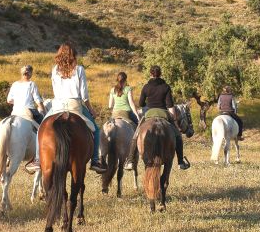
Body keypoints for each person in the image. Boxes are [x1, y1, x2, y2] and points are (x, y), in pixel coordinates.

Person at [26, 43, 107, 174]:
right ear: (73, 55)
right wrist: (90, 109)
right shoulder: (79, 69)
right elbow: (84, 94)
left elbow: (55, 89)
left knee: (41, 128)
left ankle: (37, 159)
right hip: (75, 105)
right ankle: (95, 160)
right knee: (96, 130)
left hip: (57, 105)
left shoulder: (55, 70)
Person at [124, 65, 190, 171]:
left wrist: (149, 102)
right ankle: (181, 162)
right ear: (160, 74)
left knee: (136, 134)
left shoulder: (146, 87)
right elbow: (170, 105)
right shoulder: (166, 87)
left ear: (150, 74)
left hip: (149, 113)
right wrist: (174, 119)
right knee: (178, 135)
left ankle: (130, 160)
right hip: (164, 113)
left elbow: (141, 103)